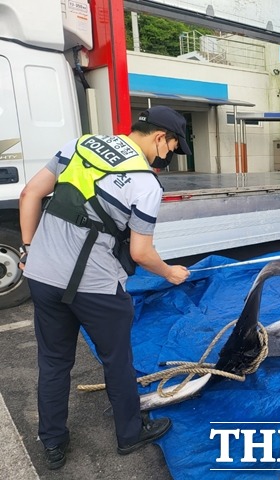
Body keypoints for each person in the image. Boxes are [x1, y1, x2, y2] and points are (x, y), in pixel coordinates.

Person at [18, 106, 192, 469]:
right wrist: (170, 273)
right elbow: (141, 252)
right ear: (160, 138)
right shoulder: (145, 184)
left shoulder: (79, 145)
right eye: (173, 147)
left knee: (52, 362)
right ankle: (129, 435)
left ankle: (52, 442)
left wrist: (30, 248)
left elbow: (30, 194)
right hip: (95, 286)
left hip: (43, 275)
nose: (169, 156)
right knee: (117, 361)